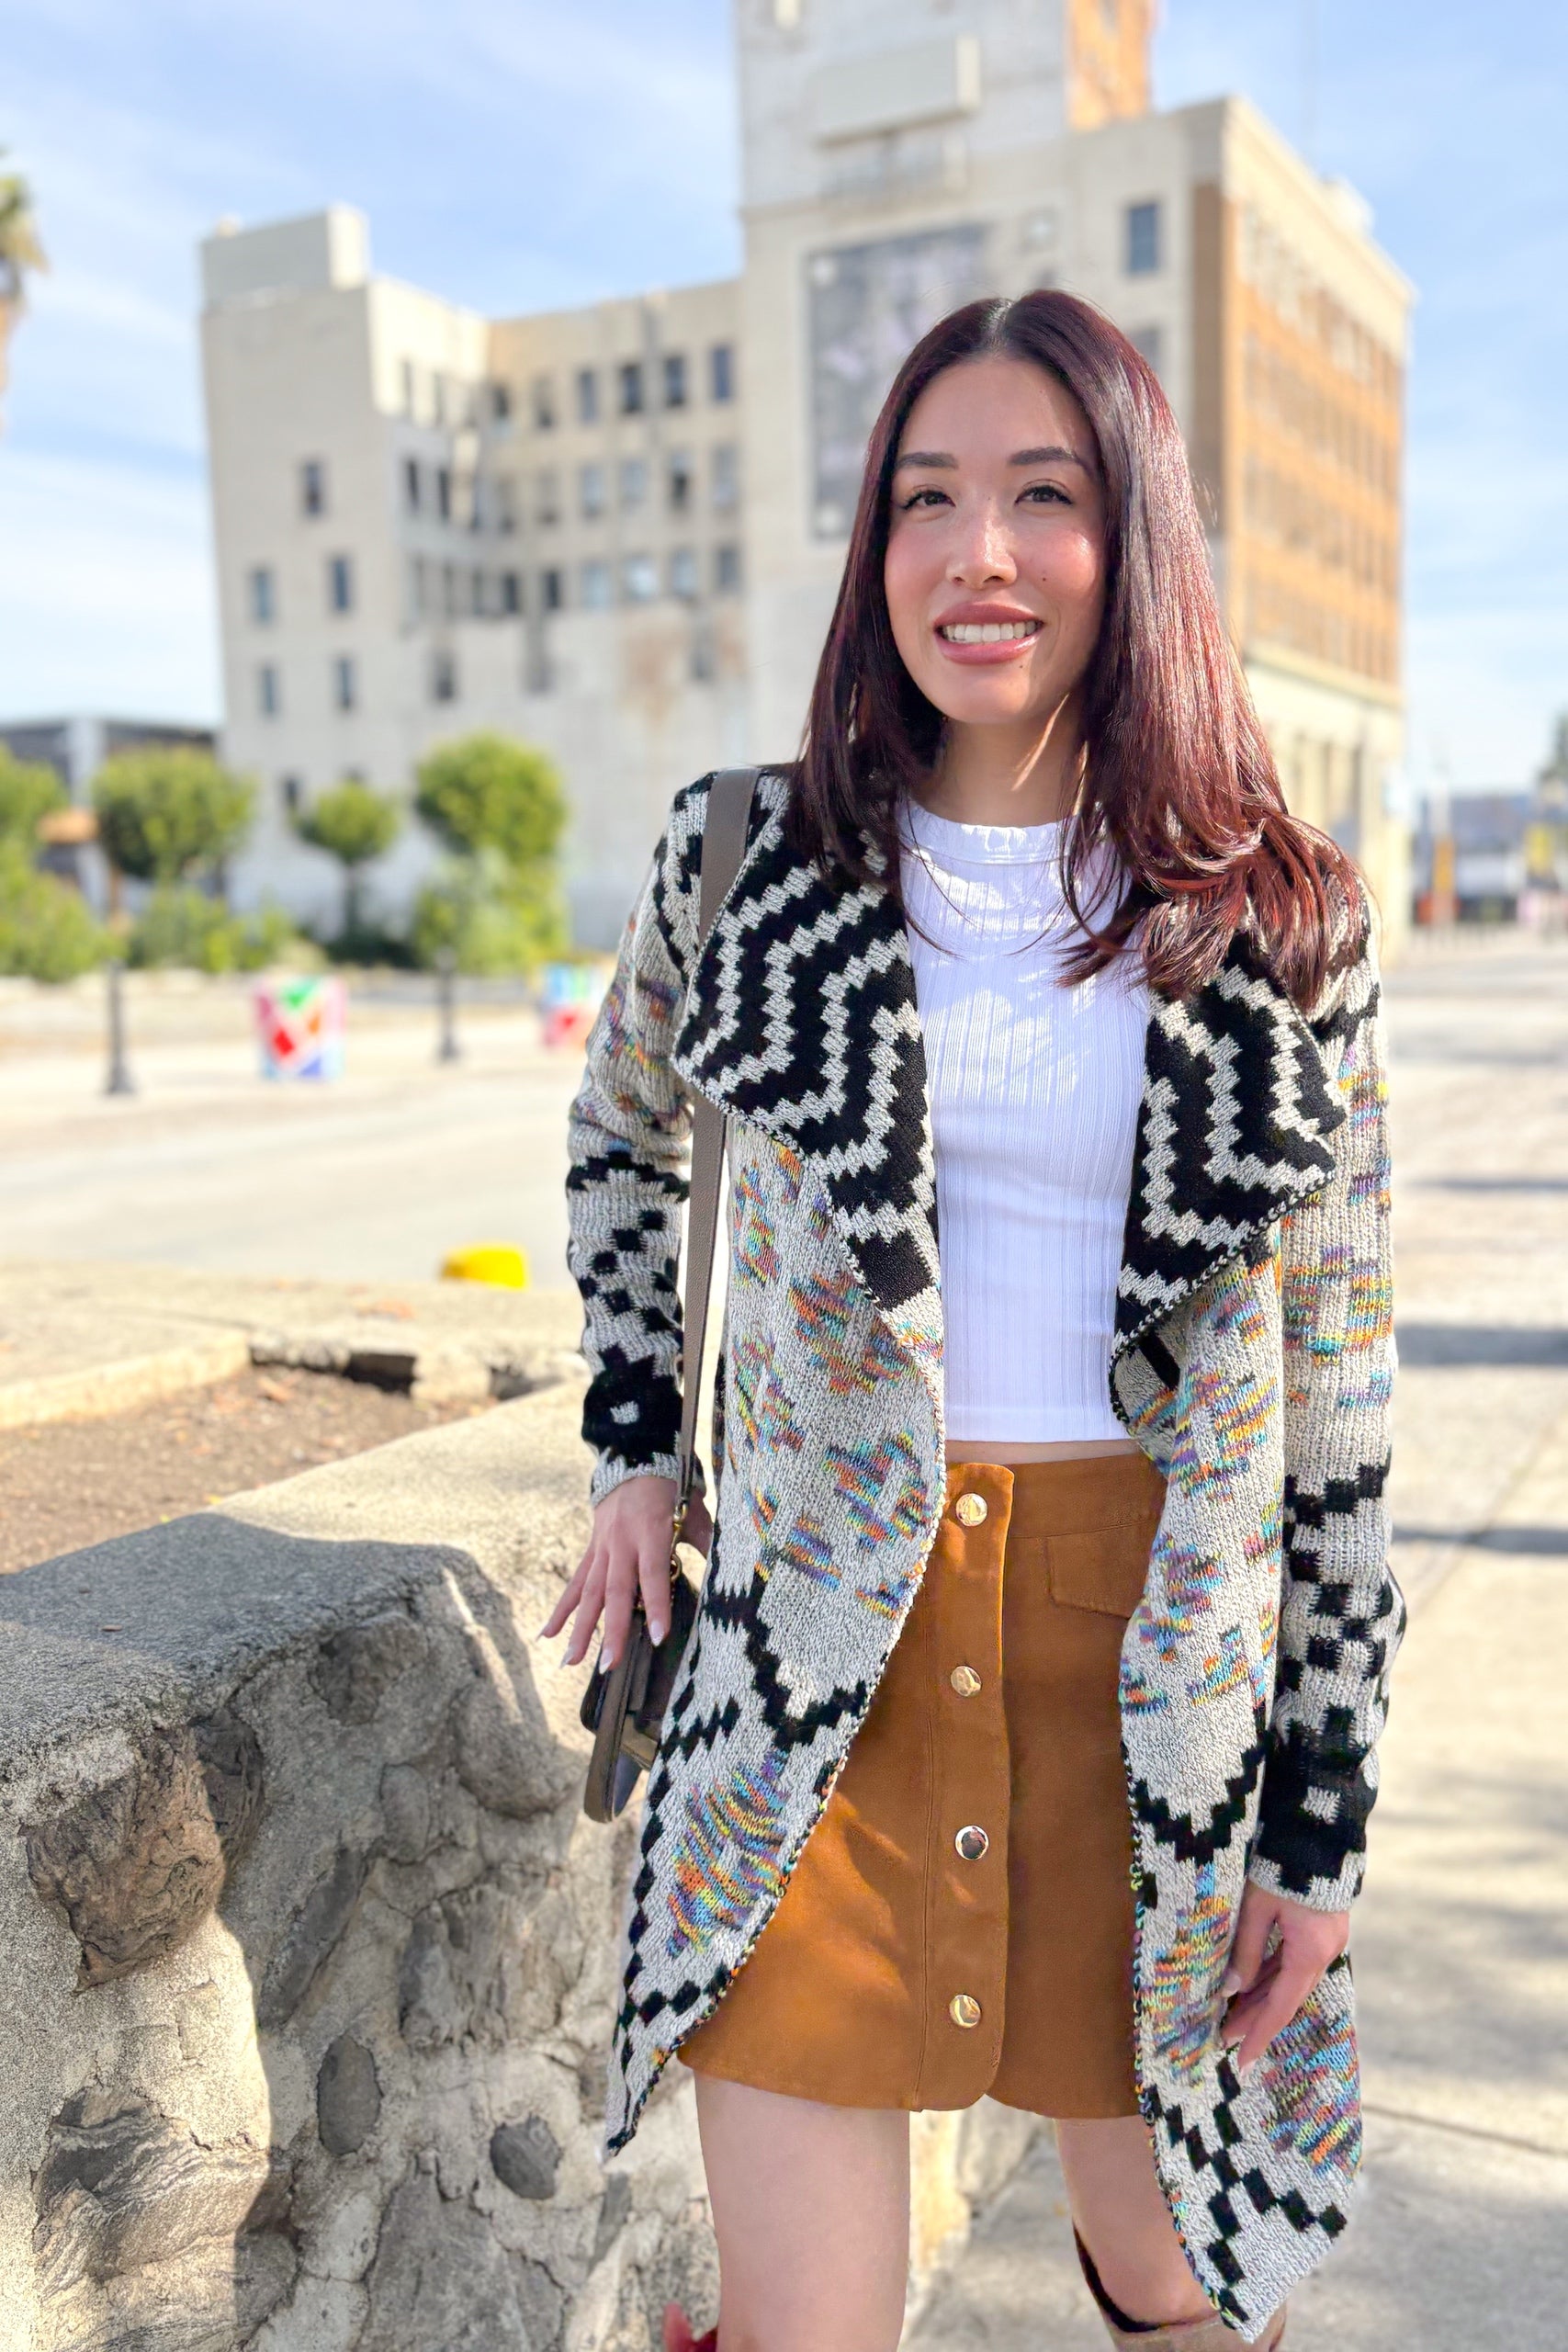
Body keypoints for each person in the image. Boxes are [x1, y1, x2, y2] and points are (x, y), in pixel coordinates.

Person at [547, 288, 1399, 2352]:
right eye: (924, 499)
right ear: (875, 546)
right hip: (813, 1691)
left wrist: (1314, 1825)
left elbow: (1340, 1416)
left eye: (1042, 494)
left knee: (1183, 2294)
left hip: (1153, 1702)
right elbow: (617, 1138)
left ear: (1136, 535)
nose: (976, 554)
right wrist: (638, 1447)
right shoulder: (747, 858)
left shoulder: (1277, 919)